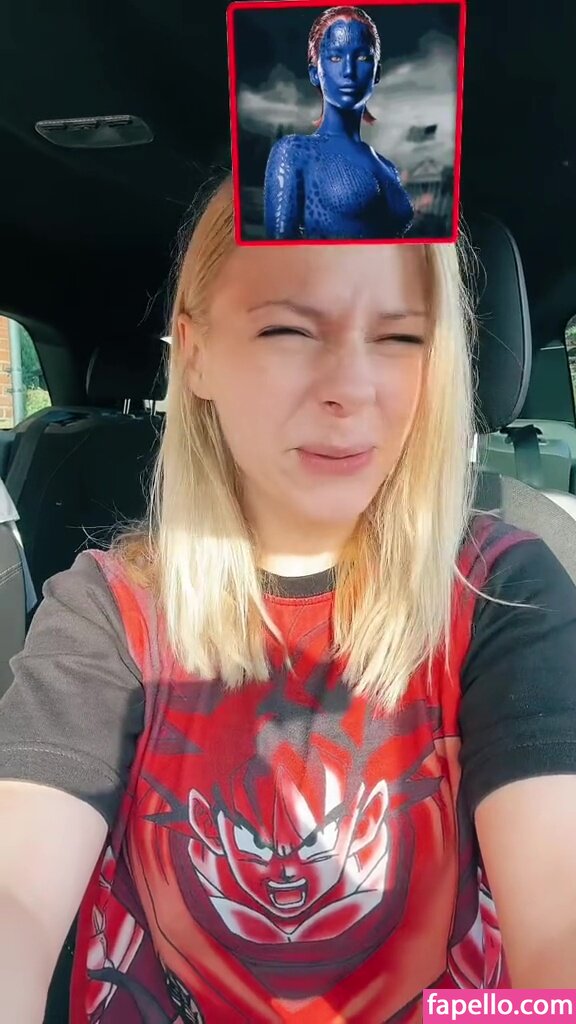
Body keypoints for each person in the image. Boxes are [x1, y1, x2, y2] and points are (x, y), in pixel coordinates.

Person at [1, 174, 576, 1024]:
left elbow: (559, 924)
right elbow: (16, 890)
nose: (351, 386)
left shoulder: (502, 591)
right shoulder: (108, 613)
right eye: (288, 329)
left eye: (399, 337)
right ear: (195, 353)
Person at [263, 6, 414, 240]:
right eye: (335, 57)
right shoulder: (293, 153)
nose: (348, 71)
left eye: (362, 58)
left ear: (376, 72)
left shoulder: (388, 167)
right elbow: (279, 252)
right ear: (315, 73)